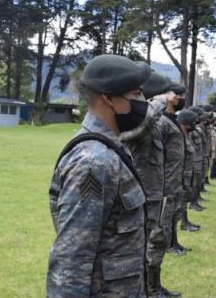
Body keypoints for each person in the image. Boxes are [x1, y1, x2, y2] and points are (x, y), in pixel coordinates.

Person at [47, 54, 150, 297]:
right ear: (108, 99)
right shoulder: (93, 162)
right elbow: (72, 257)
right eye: (135, 95)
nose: (143, 102)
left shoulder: (112, 147)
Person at [121, 72, 180, 298]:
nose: (175, 96)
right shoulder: (141, 123)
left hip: (157, 195)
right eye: (171, 93)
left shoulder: (156, 124)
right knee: (144, 249)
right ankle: (148, 290)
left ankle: (152, 288)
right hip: (143, 196)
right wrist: (159, 100)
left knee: (155, 243)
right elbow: (143, 122)